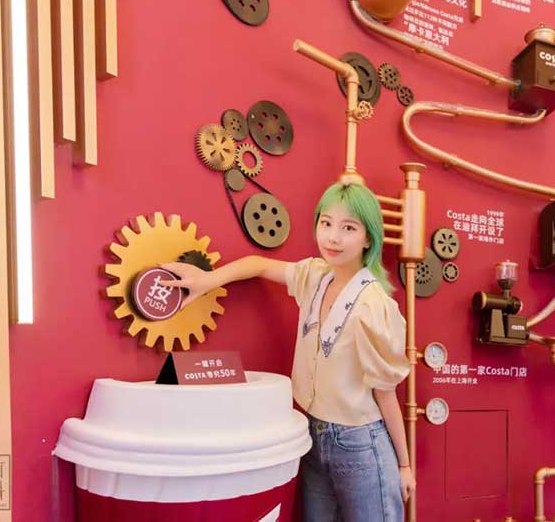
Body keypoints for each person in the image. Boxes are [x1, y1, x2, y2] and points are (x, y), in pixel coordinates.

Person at [161, 182, 416, 521]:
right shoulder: (315, 276)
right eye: (326, 223)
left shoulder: (375, 305)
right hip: (310, 432)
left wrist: (404, 465)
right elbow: (258, 264)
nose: (333, 237)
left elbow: (386, 393)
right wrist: (208, 281)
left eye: (348, 228)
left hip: (360, 442)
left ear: (368, 238)